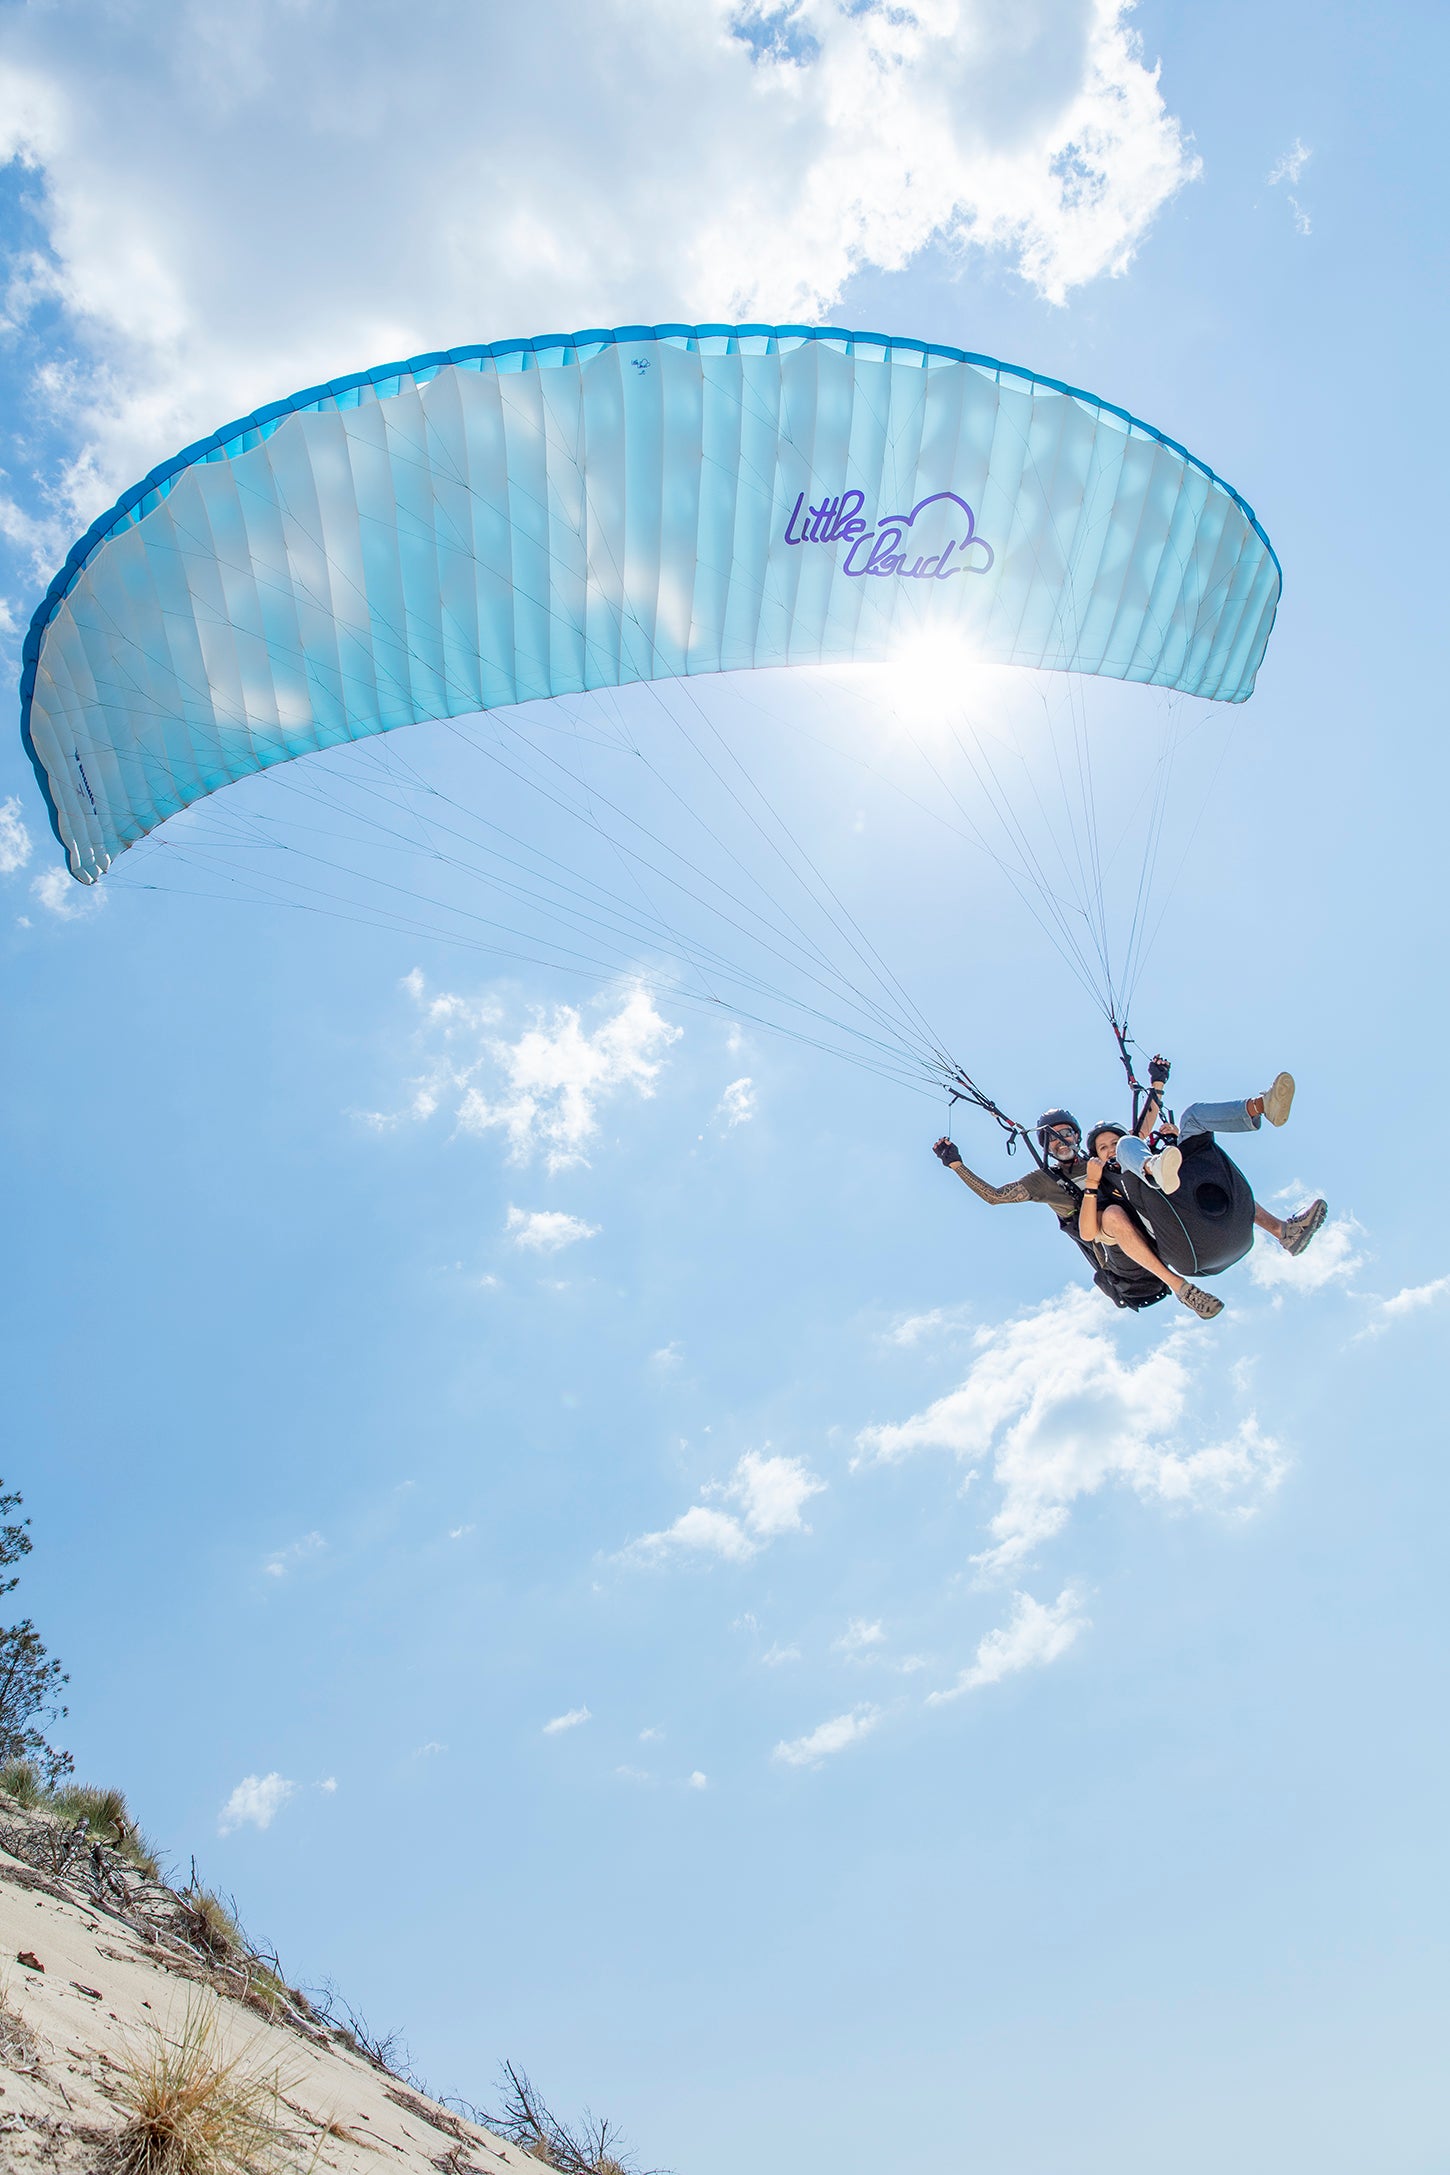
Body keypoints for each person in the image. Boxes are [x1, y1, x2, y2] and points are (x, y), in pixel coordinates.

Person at [931, 1109, 1225, 1320]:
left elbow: (1136, 1135)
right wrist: (957, 1165)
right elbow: (995, 1197)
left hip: (1151, 1236)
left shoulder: (1103, 1157)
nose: (1060, 1141)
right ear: (1045, 1147)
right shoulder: (1044, 1181)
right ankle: (1183, 1289)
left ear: (1076, 1136)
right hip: (1116, 1258)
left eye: (1065, 1133)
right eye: (1052, 1138)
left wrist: (1157, 1084)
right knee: (1112, 1214)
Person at [1086, 1065, 1327, 1258]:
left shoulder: (1141, 1150)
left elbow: (1141, 1132)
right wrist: (1092, 1182)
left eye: (1114, 1143)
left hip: (1206, 1213)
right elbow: (1089, 1231)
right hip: (1177, 1242)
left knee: (1192, 1117)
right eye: (1103, 1148)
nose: (1111, 1149)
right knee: (1130, 1145)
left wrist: (1175, 1138)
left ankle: (1262, 1106)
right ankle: (1153, 1170)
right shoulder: (1105, 1180)